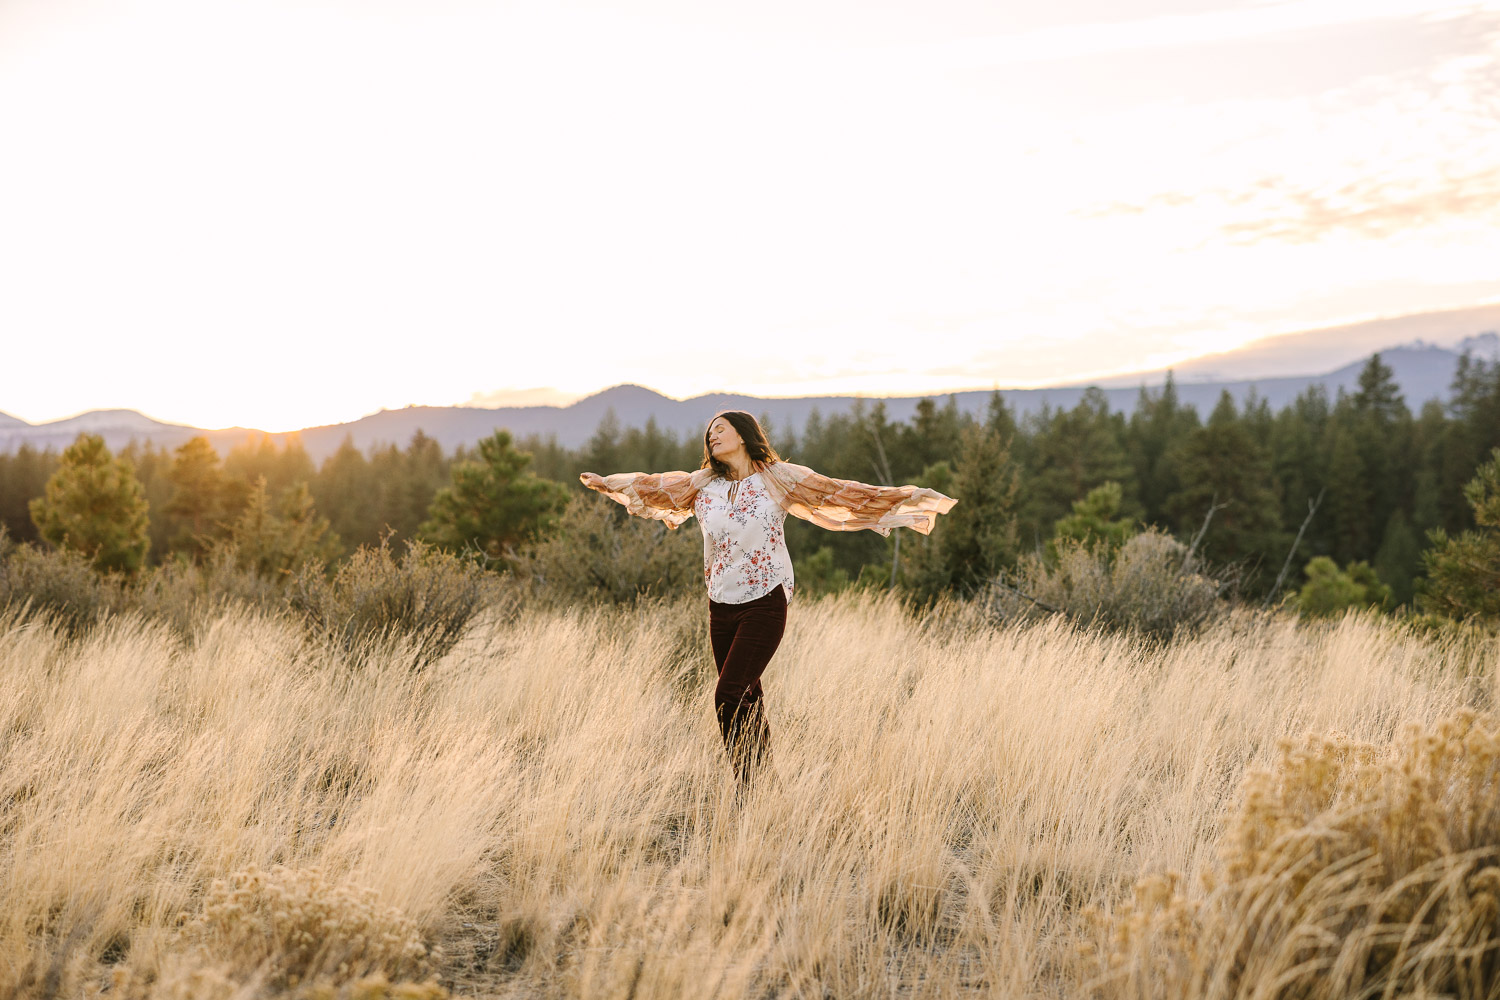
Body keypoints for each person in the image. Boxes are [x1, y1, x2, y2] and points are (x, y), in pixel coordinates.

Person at [580, 410, 957, 787]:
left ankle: (749, 789)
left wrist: (906, 499)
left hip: (765, 600)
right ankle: (764, 791)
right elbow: (653, 487)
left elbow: (836, 492)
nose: (712, 437)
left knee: (727, 697)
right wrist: (607, 483)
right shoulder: (699, 485)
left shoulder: (778, 479)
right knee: (747, 698)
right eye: (709, 433)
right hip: (720, 605)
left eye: (720, 430)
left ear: (743, 435)